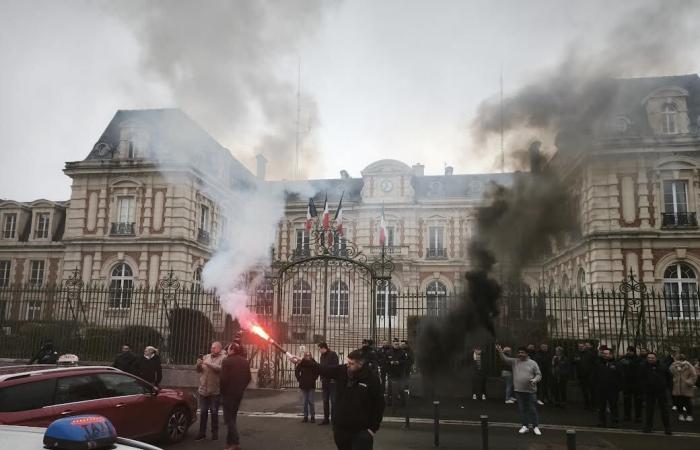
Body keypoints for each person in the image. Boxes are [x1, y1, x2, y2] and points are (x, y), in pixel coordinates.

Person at [294, 349, 384, 450]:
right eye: (347, 362)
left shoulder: (372, 378)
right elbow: (323, 369)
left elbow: (379, 405)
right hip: (341, 429)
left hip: (361, 432)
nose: (348, 365)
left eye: (351, 363)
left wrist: (372, 429)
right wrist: (303, 362)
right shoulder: (342, 371)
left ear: (361, 363)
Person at [496, 344, 543, 436]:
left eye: (522, 353)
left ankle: (535, 427)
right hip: (519, 391)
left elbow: (539, 375)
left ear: (527, 354)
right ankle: (525, 426)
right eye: (519, 353)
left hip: (530, 391)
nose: (520, 354)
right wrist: (500, 351)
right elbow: (504, 359)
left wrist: (535, 380)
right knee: (522, 409)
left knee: (532, 409)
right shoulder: (515, 361)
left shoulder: (533, 363)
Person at [220, 341, 252, 450]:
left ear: (232, 350)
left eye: (228, 349)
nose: (226, 351)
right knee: (232, 418)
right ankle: (229, 443)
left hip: (228, 394)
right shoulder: (244, 361)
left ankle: (235, 443)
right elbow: (248, 378)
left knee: (229, 419)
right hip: (239, 394)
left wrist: (222, 393)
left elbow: (223, 380)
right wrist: (241, 388)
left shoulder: (226, 361)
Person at [195, 341, 226, 441]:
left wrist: (207, 363)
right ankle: (202, 433)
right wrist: (198, 365)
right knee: (203, 412)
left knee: (214, 412)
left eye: (214, 348)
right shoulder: (206, 356)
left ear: (219, 349)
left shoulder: (223, 358)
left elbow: (219, 369)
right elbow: (199, 370)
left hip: (215, 391)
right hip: (203, 390)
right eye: (211, 347)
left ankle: (214, 433)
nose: (212, 349)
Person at [641, 352, 672, 434]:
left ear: (656, 358)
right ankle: (648, 427)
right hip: (649, 392)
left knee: (664, 410)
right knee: (649, 410)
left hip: (661, 391)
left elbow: (669, 378)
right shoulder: (643, 367)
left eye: (652, 358)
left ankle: (667, 427)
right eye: (649, 358)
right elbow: (640, 379)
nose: (650, 359)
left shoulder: (663, 366)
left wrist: (668, 388)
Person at [593, 348, 622, 427]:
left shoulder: (616, 364)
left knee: (613, 405)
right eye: (603, 353)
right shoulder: (598, 364)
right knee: (601, 406)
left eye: (606, 353)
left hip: (612, 389)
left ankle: (614, 421)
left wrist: (618, 387)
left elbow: (621, 376)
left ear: (611, 354)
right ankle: (601, 421)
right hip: (601, 388)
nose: (605, 355)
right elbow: (595, 376)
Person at [670, 353, 697, 422]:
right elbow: (671, 372)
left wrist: (688, 382)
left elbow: (694, 375)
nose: (679, 361)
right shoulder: (674, 365)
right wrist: (674, 366)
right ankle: (680, 414)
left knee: (688, 402)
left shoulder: (689, 366)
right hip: (677, 387)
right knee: (679, 402)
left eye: (680, 360)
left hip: (686, 387)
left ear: (683, 360)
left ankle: (689, 415)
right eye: (678, 360)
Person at [619, 345, 643, 422]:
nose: (629, 352)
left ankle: (638, 416)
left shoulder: (638, 359)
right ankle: (627, 415)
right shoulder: (624, 358)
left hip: (636, 383)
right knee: (626, 401)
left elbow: (639, 368)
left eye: (630, 351)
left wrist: (629, 364)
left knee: (637, 402)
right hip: (626, 383)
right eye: (628, 350)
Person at [319, 342, 340, 425]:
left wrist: (326, 369)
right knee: (325, 401)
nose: (319, 350)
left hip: (332, 382)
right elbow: (321, 367)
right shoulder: (322, 356)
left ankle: (334, 419)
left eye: (320, 349)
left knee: (333, 401)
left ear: (324, 348)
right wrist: (321, 377)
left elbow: (336, 367)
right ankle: (326, 419)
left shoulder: (333, 354)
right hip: (324, 381)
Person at [296, 351, 320, 422]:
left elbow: (317, 371)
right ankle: (305, 417)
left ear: (311, 356)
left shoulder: (313, 362)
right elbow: (297, 371)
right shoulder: (302, 363)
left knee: (311, 401)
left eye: (309, 355)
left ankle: (312, 416)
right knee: (305, 402)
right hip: (303, 385)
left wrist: (314, 378)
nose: (308, 357)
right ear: (304, 356)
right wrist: (299, 379)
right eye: (306, 355)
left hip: (311, 385)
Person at [386, 338, 408, 407]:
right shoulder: (388, 352)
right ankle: (389, 403)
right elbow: (385, 361)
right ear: (393, 344)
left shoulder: (402, 352)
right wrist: (390, 362)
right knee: (390, 389)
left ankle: (403, 403)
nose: (396, 345)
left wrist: (399, 362)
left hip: (400, 373)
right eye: (395, 344)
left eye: (398, 344)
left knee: (401, 388)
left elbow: (405, 361)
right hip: (391, 373)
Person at [574, 342, 596, 409]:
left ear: (584, 347)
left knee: (592, 390)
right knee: (584, 391)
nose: (580, 347)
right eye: (579, 346)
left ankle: (593, 404)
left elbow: (595, 363)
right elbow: (572, 362)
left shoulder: (590, 354)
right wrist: (575, 360)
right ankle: (587, 404)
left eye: (582, 346)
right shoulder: (576, 354)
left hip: (590, 375)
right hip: (581, 375)